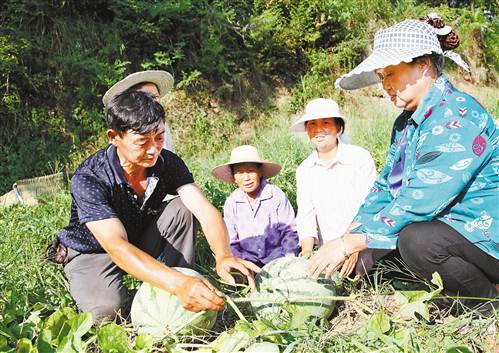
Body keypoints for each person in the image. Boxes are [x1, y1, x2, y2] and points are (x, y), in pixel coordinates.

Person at [309, 16, 498, 314]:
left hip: (484, 235)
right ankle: (454, 293)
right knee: (377, 266)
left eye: (390, 74)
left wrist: (352, 242)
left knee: (416, 242)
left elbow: (420, 199)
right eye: (381, 76)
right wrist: (354, 230)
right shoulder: (406, 124)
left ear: (423, 65)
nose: (385, 85)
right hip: (452, 232)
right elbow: (386, 186)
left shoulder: (457, 114)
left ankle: (487, 305)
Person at [48, 90, 260, 323]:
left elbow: (205, 211)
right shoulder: (90, 178)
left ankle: (182, 284)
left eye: (159, 137)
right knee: (107, 312)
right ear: (114, 137)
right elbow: (116, 246)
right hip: (94, 250)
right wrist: (178, 284)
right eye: (142, 141)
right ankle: (177, 284)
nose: (153, 149)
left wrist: (223, 255)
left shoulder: (167, 162)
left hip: (137, 236)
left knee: (182, 208)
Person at [291, 98, 376, 277]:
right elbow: (306, 216)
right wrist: (307, 255)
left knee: (364, 267)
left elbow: (369, 206)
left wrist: (350, 246)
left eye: (326, 123)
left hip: (360, 241)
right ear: (307, 130)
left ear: (338, 128)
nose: (318, 129)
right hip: (329, 250)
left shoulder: (359, 158)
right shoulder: (305, 170)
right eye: (312, 124)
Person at [211, 145, 300, 267]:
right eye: (240, 173)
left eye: (250, 171)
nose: (246, 178)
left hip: (279, 261)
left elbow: (290, 231)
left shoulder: (275, 195)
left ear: (260, 172)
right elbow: (231, 241)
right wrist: (243, 266)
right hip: (248, 264)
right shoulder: (232, 203)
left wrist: (288, 262)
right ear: (234, 178)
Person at [103, 70, 176, 152]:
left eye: (155, 97)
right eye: (147, 98)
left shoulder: (162, 125)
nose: (152, 102)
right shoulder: (124, 131)